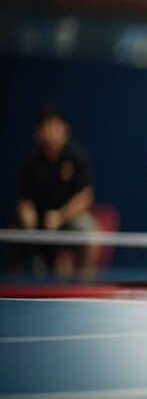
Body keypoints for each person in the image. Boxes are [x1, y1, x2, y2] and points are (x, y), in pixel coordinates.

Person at [17, 103, 99, 278]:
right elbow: (24, 200)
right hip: (38, 222)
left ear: (65, 129)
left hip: (68, 218)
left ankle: (85, 283)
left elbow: (85, 196)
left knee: (89, 229)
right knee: (15, 235)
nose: (50, 132)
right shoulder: (30, 161)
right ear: (38, 133)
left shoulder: (77, 157)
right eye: (45, 126)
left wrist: (60, 216)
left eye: (54, 126)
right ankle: (16, 280)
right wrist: (28, 217)